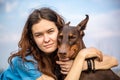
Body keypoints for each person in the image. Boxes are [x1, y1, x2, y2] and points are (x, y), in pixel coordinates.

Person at [0, 7, 118, 80]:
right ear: (32, 38)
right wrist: (81, 56)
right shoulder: (25, 62)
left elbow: (113, 61)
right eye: (38, 35)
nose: (46, 39)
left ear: (60, 30)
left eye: (50, 32)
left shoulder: (58, 54)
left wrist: (83, 65)